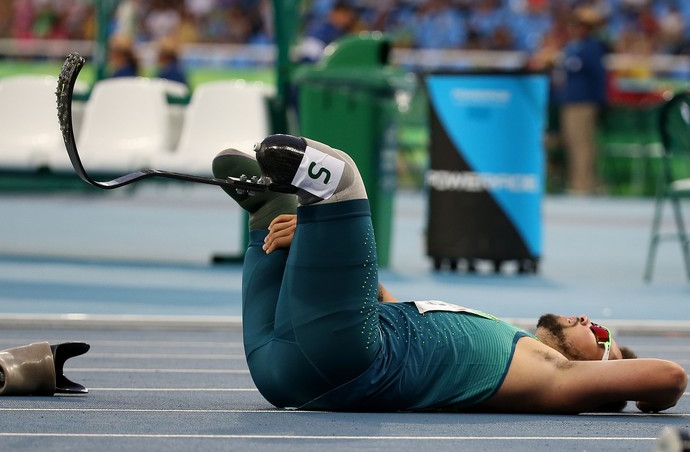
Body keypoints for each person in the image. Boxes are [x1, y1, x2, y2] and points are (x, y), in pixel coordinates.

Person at [212, 134, 686, 414]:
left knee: (341, 180)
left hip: (343, 357)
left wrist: (632, 390)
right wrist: (322, 252)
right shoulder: (505, 339)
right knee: (275, 209)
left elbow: (671, 376)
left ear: (598, 370)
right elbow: (388, 308)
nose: (588, 319)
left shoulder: (555, 377)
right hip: (280, 373)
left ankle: (315, 190)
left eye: (601, 334)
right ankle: (276, 203)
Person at [553, 7, 608, 194]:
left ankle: (584, 185)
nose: (576, 29)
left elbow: (596, 76)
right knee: (572, 142)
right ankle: (579, 182)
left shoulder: (592, 48)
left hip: (584, 102)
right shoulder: (570, 47)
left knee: (583, 144)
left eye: (581, 25)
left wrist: (599, 101)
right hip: (569, 101)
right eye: (574, 25)